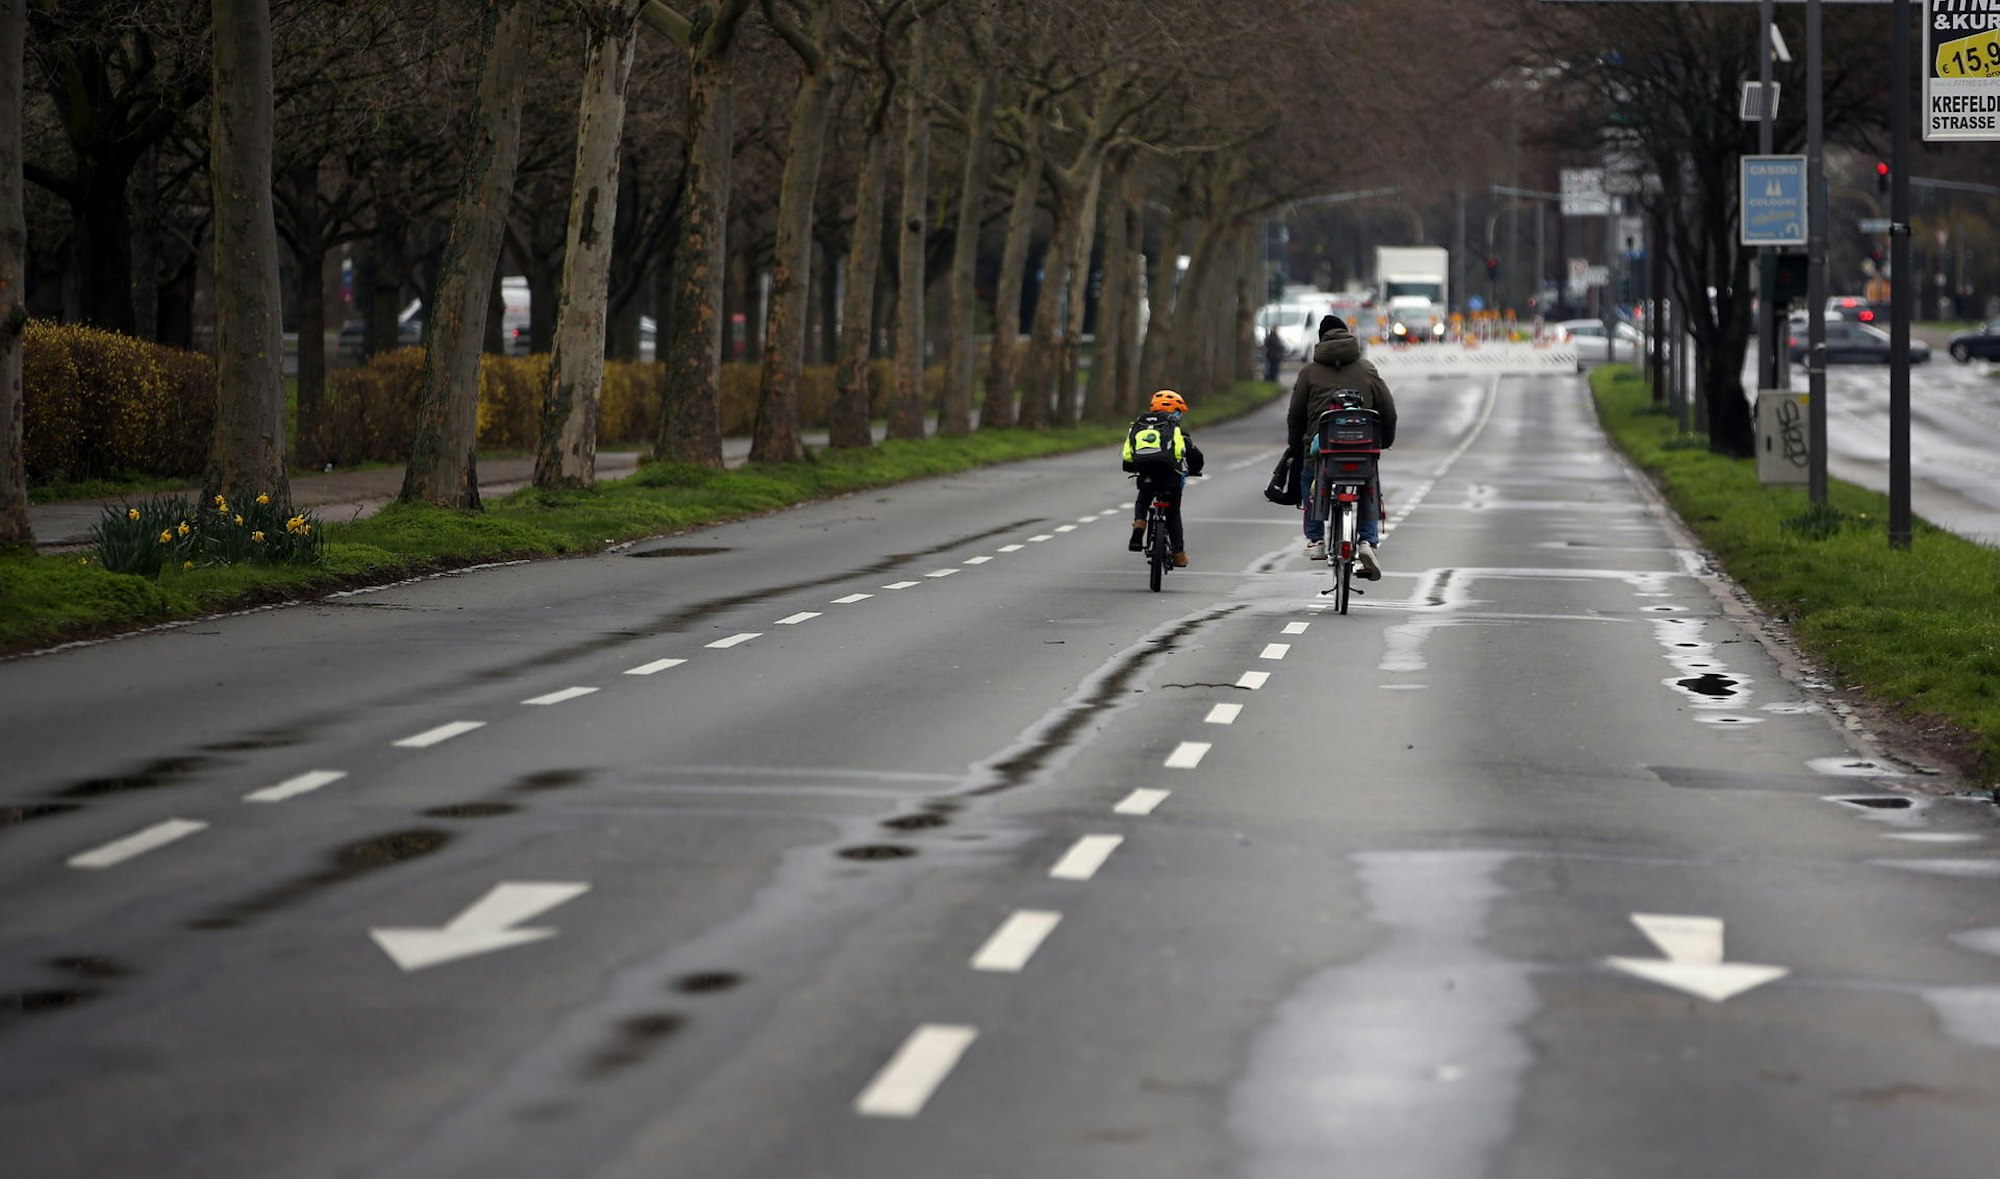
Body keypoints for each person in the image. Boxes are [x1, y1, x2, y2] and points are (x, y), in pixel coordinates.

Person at [1286, 314, 1397, 577]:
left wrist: (1297, 446)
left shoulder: (1309, 372)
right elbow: (1388, 411)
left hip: (1321, 452)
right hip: (1362, 450)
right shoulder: (1367, 368)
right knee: (1370, 486)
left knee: (1310, 479)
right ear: (1348, 335)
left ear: (1320, 339)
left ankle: (1316, 539)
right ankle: (1367, 540)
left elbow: (1296, 415)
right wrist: (1384, 441)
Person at [1122, 389, 1206, 567]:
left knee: (1143, 499)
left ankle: (1139, 523)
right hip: (1170, 479)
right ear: (1175, 411)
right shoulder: (1178, 431)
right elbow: (1195, 457)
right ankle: (1178, 554)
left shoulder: (1140, 425)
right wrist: (1195, 470)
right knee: (1173, 513)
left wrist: (1134, 468)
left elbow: (1128, 457)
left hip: (1146, 476)